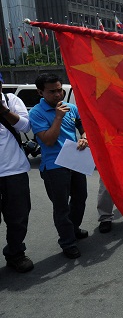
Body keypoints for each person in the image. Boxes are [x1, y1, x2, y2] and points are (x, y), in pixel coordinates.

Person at [29, 73, 89, 259]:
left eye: (59, 90)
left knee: (80, 198)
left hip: (75, 160)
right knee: (61, 206)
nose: (57, 94)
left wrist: (84, 138)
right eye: (52, 91)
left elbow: (84, 128)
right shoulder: (36, 113)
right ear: (40, 92)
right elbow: (48, 140)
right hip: (54, 166)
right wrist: (58, 117)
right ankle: (67, 242)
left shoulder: (71, 108)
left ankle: (73, 229)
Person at [0, 74, 34, 273]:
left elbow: (26, 126)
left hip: (15, 170)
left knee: (18, 217)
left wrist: (3, 110)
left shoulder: (11, 100)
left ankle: (15, 253)